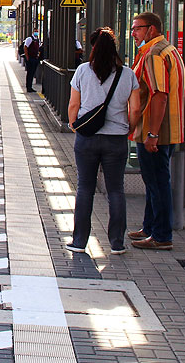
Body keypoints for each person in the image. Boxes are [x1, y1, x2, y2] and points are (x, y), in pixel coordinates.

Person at [66, 27, 141, 255]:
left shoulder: (82, 71)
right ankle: (117, 243)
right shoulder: (127, 74)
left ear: (93, 47)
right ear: (114, 48)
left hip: (87, 138)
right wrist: (130, 128)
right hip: (116, 139)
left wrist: (73, 124)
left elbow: (73, 105)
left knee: (85, 188)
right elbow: (135, 108)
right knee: (116, 190)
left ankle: (79, 242)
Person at [128, 12, 185, 251]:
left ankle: (161, 235)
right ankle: (150, 227)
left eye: (137, 29)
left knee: (157, 182)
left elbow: (159, 95)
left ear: (151, 29)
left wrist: (152, 133)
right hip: (169, 129)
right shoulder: (169, 49)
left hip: (155, 132)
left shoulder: (154, 54)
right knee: (155, 180)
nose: (133, 33)